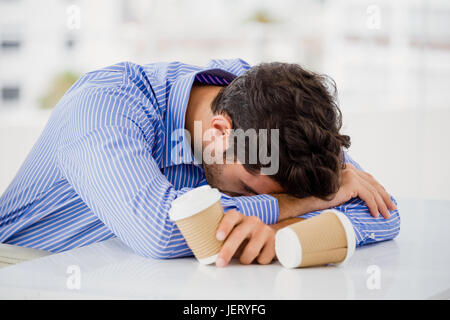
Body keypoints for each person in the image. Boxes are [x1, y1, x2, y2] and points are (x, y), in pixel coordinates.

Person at [0, 59, 400, 268]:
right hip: (31, 271)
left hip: (147, 275)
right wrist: (297, 206)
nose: (244, 203)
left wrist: (281, 231)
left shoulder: (268, 108)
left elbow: (382, 211)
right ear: (219, 131)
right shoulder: (104, 109)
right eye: (243, 189)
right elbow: (161, 233)